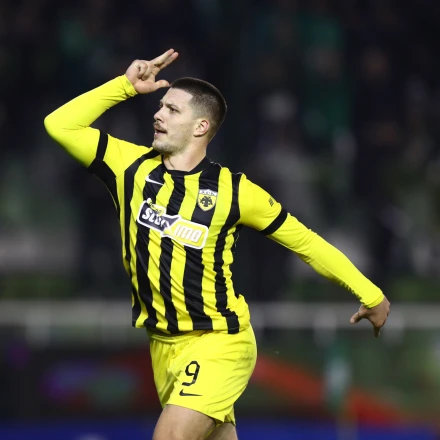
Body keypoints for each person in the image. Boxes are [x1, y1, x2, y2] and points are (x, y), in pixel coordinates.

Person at [44, 49, 390, 440]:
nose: (158, 115)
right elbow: (60, 125)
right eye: (160, 107)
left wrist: (371, 294)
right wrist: (125, 86)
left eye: (172, 110)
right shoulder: (129, 166)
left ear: (201, 126)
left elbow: (305, 242)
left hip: (219, 343)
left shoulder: (235, 192)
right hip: (162, 346)